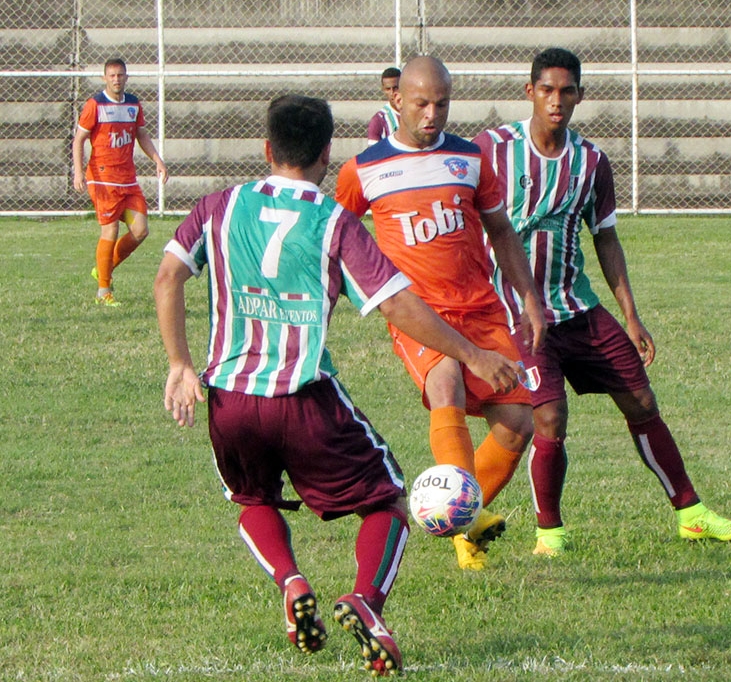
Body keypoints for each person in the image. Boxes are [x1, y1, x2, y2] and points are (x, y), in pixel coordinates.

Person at [154, 94, 526, 675]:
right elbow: (398, 305)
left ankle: (291, 580)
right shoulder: (334, 222)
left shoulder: (218, 207)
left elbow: (167, 276)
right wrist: (472, 353)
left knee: (253, 499)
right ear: (328, 154)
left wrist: (179, 362)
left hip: (229, 399)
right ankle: (366, 602)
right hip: (304, 399)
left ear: (267, 148)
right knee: (389, 501)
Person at [473, 47, 731, 557]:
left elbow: (606, 238)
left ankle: (691, 514)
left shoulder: (591, 161)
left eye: (567, 91)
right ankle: (550, 533)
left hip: (578, 308)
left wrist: (631, 315)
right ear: (530, 91)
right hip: (517, 315)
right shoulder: (491, 149)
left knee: (642, 401)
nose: (557, 101)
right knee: (549, 419)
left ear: (580, 95)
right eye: (548, 90)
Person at [335, 56, 548, 570]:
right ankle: (463, 517)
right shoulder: (363, 168)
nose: (432, 114)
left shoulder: (472, 158)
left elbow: (501, 230)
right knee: (446, 382)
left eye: (442, 104)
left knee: (519, 421)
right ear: (397, 101)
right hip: (418, 313)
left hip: (480, 308)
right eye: (422, 103)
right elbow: (336, 236)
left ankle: (462, 522)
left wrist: (530, 298)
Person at [73, 57, 168, 307]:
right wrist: (78, 172)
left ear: (126, 77)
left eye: (120, 75)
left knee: (140, 231)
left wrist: (158, 160)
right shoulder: (95, 104)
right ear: (105, 78)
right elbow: (78, 140)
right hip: (103, 179)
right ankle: (103, 291)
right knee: (111, 230)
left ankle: (104, 268)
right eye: (112, 75)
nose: (116, 79)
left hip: (128, 180)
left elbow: (141, 134)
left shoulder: (133, 104)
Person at [366, 66, 401, 145]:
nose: (392, 93)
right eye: (388, 89)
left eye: (396, 88)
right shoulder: (379, 121)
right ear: (383, 90)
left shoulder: (417, 114)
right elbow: (374, 154)